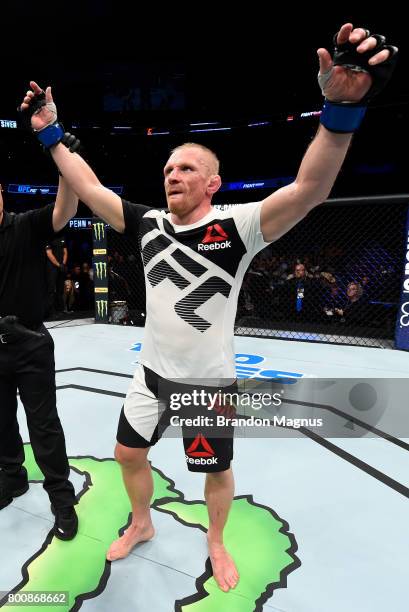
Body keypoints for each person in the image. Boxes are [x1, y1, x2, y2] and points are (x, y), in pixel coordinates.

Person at [20, 23, 397, 591]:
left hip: (206, 384)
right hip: (149, 376)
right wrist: (51, 134)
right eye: (169, 169)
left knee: (215, 470)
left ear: (213, 182)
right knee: (126, 454)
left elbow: (309, 189)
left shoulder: (237, 226)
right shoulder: (148, 224)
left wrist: (340, 111)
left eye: (187, 168)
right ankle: (142, 522)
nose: (174, 175)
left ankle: (215, 541)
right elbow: (89, 185)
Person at [0, 174, 80, 540]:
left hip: (30, 343)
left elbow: (65, 209)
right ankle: (12, 477)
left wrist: (62, 161)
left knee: (43, 424)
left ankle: (62, 499)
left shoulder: (26, 225)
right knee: (1, 421)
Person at [45, 234, 68, 317]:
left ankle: (61, 310)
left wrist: (63, 264)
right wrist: (58, 265)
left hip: (61, 267)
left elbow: (65, 252)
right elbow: (49, 253)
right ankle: (50, 311)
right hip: (52, 267)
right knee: (51, 290)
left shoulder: (62, 237)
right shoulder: (48, 238)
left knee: (60, 289)